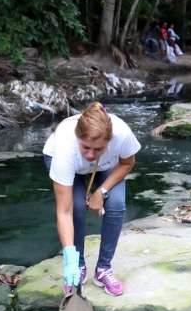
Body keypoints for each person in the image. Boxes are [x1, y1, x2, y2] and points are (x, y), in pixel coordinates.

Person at [43, 102, 141, 296]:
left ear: (110, 141)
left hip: (107, 166)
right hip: (68, 165)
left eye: (98, 149)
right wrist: (69, 259)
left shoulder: (121, 133)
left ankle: (103, 269)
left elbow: (127, 162)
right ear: (77, 138)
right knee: (77, 205)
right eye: (85, 147)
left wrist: (100, 192)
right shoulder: (65, 148)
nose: (90, 154)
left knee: (116, 204)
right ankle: (78, 267)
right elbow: (64, 211)